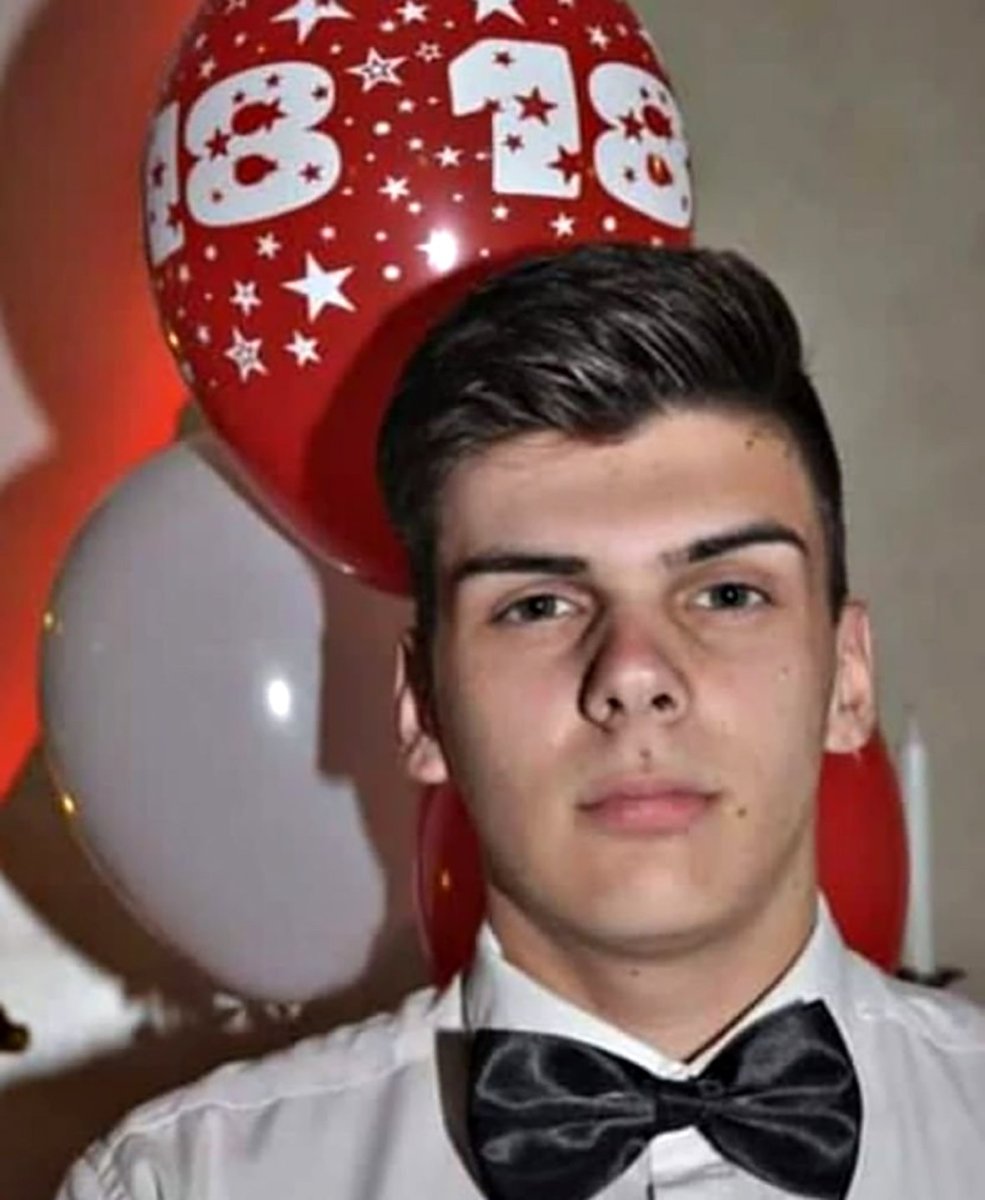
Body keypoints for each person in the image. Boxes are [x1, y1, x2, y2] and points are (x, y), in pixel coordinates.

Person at [56, 245, 985, 1200]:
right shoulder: (181, 1183)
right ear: (423, 708)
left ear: (848, 678)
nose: (633, 674)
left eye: (727, 594)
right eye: (537, 605)